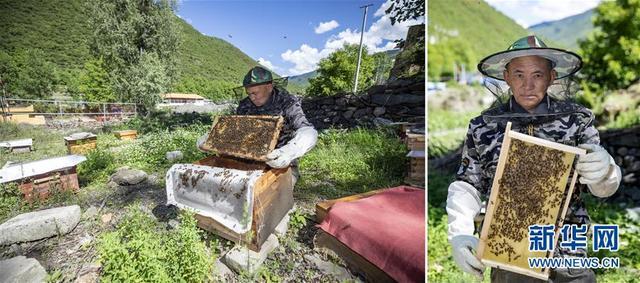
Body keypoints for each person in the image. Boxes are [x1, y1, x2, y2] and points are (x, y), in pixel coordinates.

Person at [446, 35, 622, 282]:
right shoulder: (482, 126)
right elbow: (468, 183)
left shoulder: (578, 120)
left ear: (551, 77)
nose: (527, 85)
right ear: (506, 77)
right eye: (519, 74)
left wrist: (606, 171)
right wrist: (460, 231)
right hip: (509, 252)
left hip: (569, 253)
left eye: (537, 75)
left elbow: (601, 188)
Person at [198, 66, 317, 183]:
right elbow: (235, 131)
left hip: (280, 160)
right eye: (249, 94)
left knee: (274, 192)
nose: (252, 97)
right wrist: (211, 139)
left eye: (255, 93)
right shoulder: (245, 105)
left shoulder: (288, 102)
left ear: (269, 87)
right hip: (249, 157)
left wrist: (290, 151)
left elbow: (307, 131)